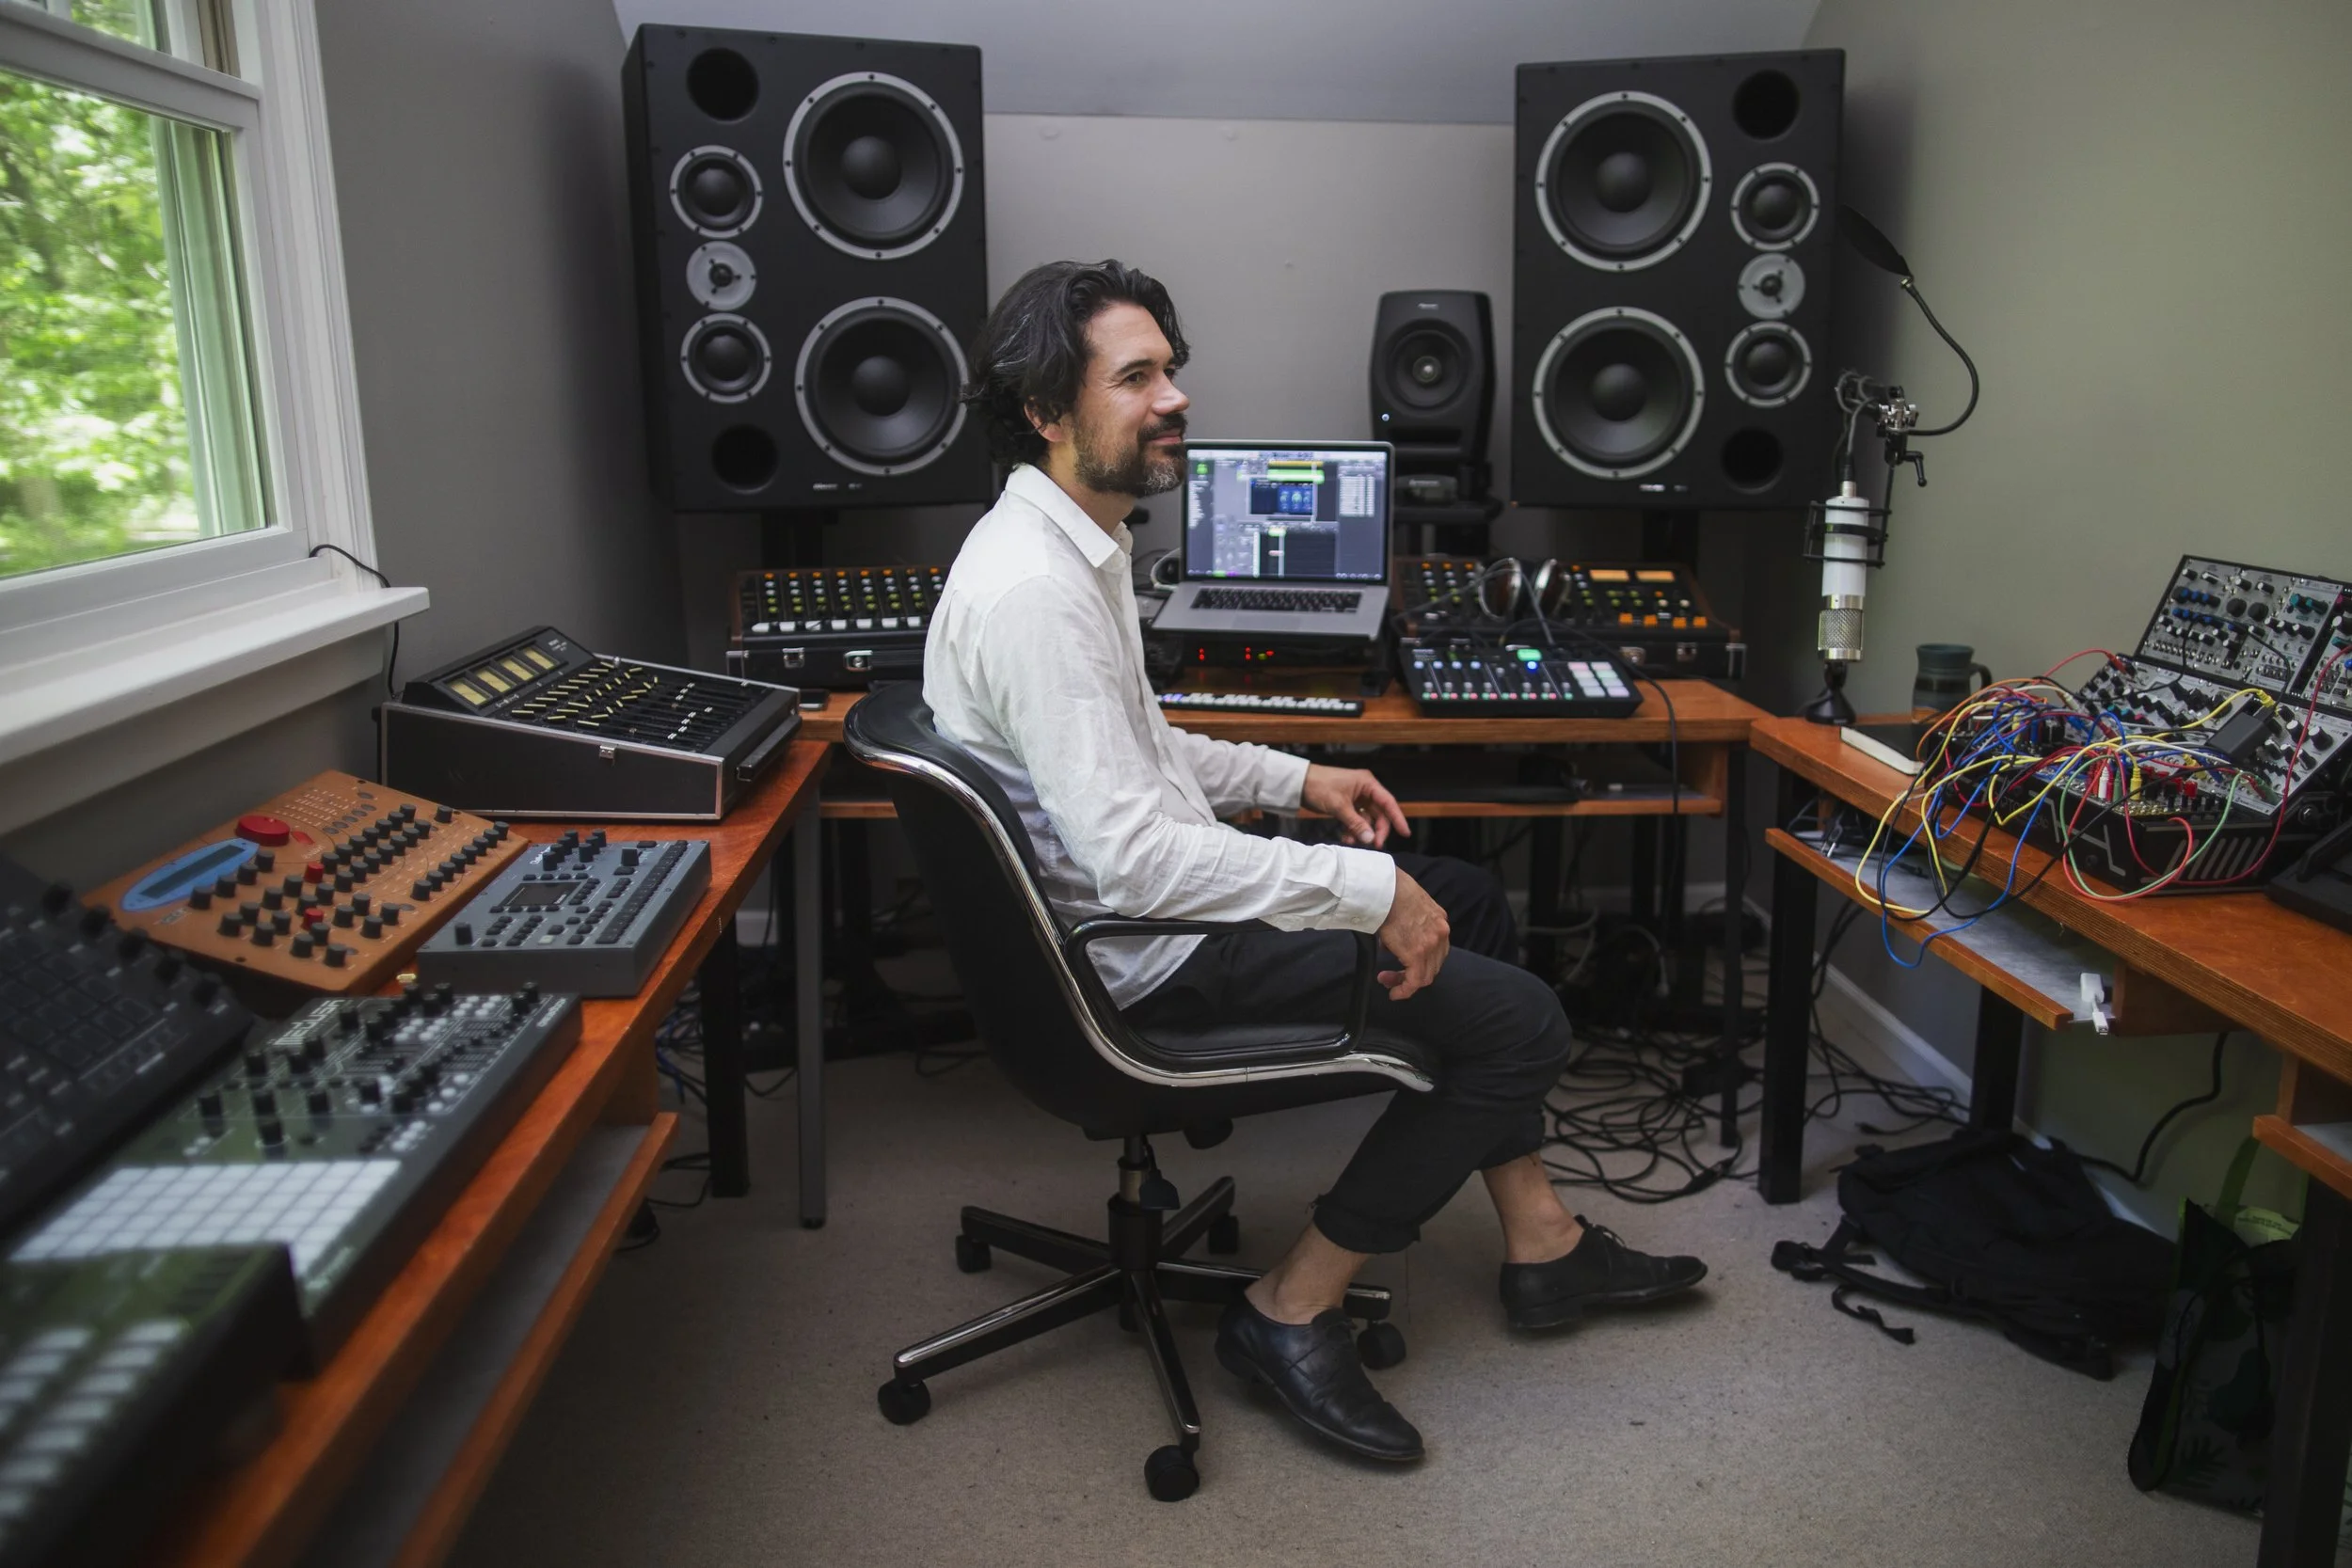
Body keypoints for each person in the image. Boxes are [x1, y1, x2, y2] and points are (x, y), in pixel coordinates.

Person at [924, 259, 1706, 1464]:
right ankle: (1287, 1306)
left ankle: (1540, 1242)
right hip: (1141, 968)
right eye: (1135, 377)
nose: (1174, 396)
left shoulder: (1073, 543)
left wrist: (1300, 779)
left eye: (1170, 369)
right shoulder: (1034, 589)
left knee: (1474, 902)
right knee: (1526, 1025)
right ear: (1042, 407)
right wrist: (1360, 888)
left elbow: (1141, 744)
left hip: (1145, 920)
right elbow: (1132, 861)